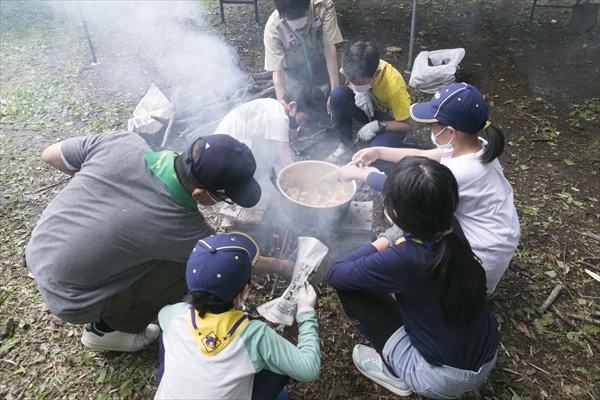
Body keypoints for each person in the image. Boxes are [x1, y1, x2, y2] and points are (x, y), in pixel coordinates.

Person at [24, 132, 294, 353]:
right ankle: (105, 332)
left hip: (39, 249)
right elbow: (230, 258)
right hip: (72, 297)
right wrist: (283, 267)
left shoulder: (121, 142)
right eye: (226, 198)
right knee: (190, 268)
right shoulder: (181, 226)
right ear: (199, 194)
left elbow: (49, 154)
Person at [327, 157, 499, 398]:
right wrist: (361, 174)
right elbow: (419, 194)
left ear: (395, 213)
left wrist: (385, 239)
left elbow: (336, 274)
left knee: (351, 289)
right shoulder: (449, 225)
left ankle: (394, 373)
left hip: (439, 378)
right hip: (487, 353)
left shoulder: (403, 258)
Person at [339, 82, 520, 294]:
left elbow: (403, 191)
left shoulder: (460, 171)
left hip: (476, 263)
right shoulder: (475, 145)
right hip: (493, 237)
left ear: (451, 131)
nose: (430, 129)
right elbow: (424, 155)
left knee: (411, 219)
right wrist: (378, 151)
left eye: (433, 125)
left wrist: (358, 174)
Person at [155, 232, 320, 399]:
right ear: (244, 292)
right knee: (278, 368)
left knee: (167, 336)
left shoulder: (172, 314)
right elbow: (309, 370)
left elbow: (164, 315)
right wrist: (306, 312)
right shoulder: (255, 336)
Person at [326, 41, 417, 166]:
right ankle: (346, 146)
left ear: (377, 74)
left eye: (362, 82)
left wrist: (379, 125)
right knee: (337, 95)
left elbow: (410, 125)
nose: (356, 85)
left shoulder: (394, 88)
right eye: (354, 81)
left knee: (373, 156)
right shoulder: (352, 66)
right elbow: (347, 83)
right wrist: (360, 92)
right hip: (369, 110)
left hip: (392, 120)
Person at [213, 82, 327, 175]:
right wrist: (306, 182)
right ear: (292, 106)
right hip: (225, 158)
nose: (302, 124)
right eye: (304, 119)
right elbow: (286, 162)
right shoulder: (280, 118)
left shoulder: (272, 104)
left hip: (218, 146)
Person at [264, 0, 343, 105]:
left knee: (342, 74)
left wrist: (334, 91)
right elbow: (278, 74)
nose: (296, 21)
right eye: (290, 18)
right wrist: (284, 107)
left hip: (316, 59)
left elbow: (329, 46)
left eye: (301, 16)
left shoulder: (323, 6)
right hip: (292, 70)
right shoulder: (274, 29)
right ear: (281, 13)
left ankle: (331, 107)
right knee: (298, 105)